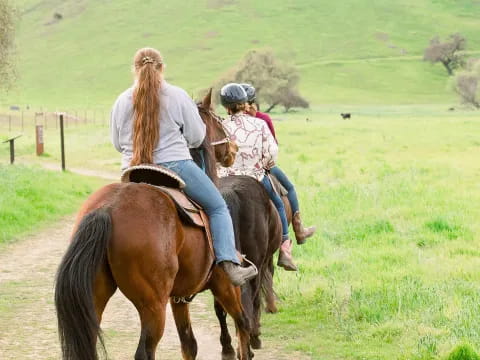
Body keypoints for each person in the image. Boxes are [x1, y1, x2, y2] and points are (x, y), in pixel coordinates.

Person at [110, 47, 257, 286]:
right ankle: (229, 264)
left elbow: (117, 144)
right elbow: (198, 137)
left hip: (132, 171)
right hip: (174, 166)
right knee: (218, 207)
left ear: (134, 70)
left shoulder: (121, 100)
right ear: (162, 68)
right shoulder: (177, 96)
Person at [217, 83, 298, 271]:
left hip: (223, 178)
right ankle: (285, 247)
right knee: (278, 203)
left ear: (226, 107)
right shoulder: (260, 124)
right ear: (245, 104)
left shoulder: (220, 124)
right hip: (256, 176)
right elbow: (272, 151)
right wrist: (265, 165)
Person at [240, 83, 316, 244]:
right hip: (262, 167)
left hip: (235, 169)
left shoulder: (231, 121)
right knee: (289, 188)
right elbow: (273, 145)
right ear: (252, 101)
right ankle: (298, 231)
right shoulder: (262, 119)